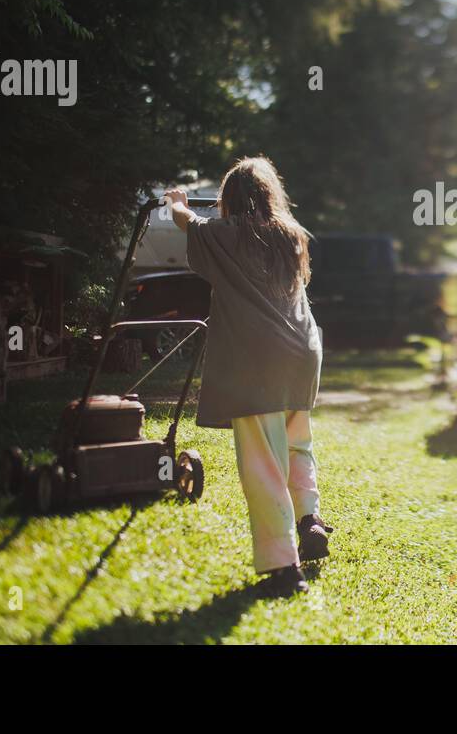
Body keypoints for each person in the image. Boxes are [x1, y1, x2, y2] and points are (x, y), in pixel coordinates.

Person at [165, 156, 329, 598]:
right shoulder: (291, 236)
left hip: (259, 359)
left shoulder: (225, 234)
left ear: (230, 201)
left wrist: (178, 202)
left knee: (262, 461)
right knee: (297, 442)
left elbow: (187, 222)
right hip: (302, 354)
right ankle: (309, 517)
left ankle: (282, 565)